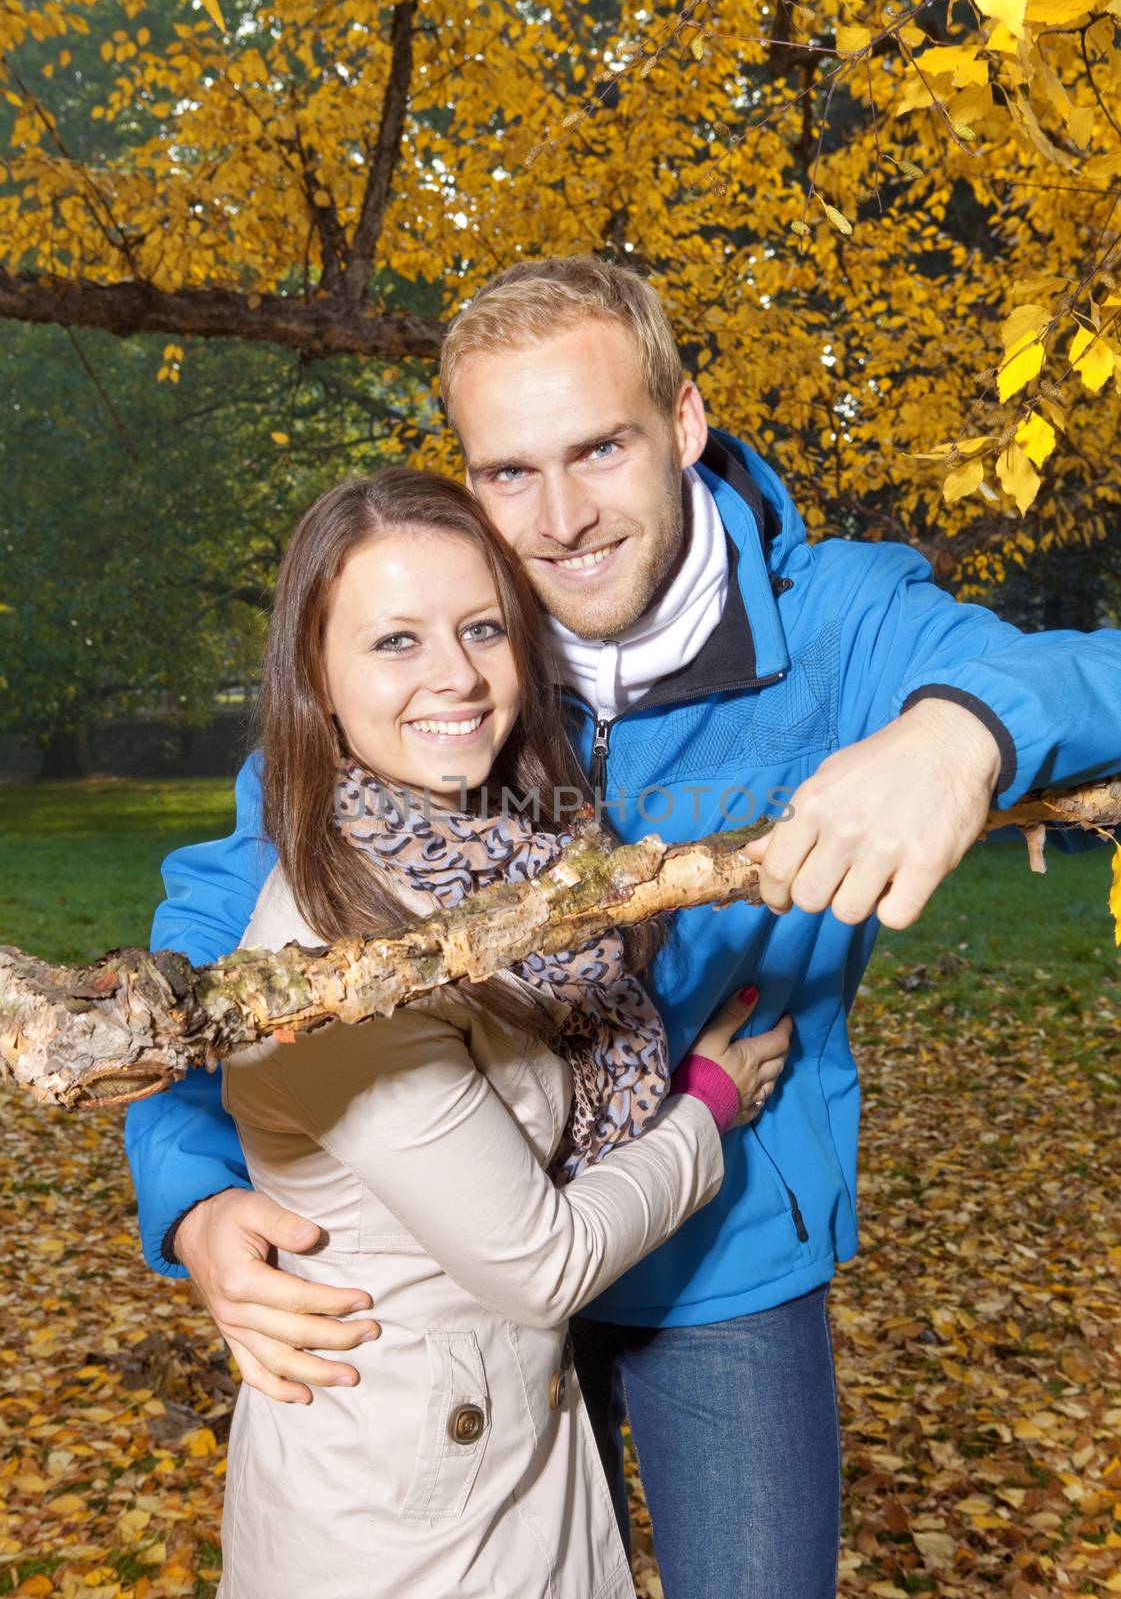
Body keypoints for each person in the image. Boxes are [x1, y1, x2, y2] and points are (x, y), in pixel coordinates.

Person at [127, 257, 1121, 1599]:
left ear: (686, 423)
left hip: (724, 1246)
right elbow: (215, 940)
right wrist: (192, 1192)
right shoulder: (450, 640)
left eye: (600, 447)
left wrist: (960, 731)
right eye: (509, 472)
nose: (562, 518)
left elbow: (1083, 669)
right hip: (463, 1265)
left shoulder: (832, 624)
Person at [214, 466, 792, 1598]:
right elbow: (541, 1261)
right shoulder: (338, 962)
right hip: (401, 1518)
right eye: (394, 643)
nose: (456, 677)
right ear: (316, 680)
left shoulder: (511, 852)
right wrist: (707, 1105)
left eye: (482, 627)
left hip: (509, 1457)